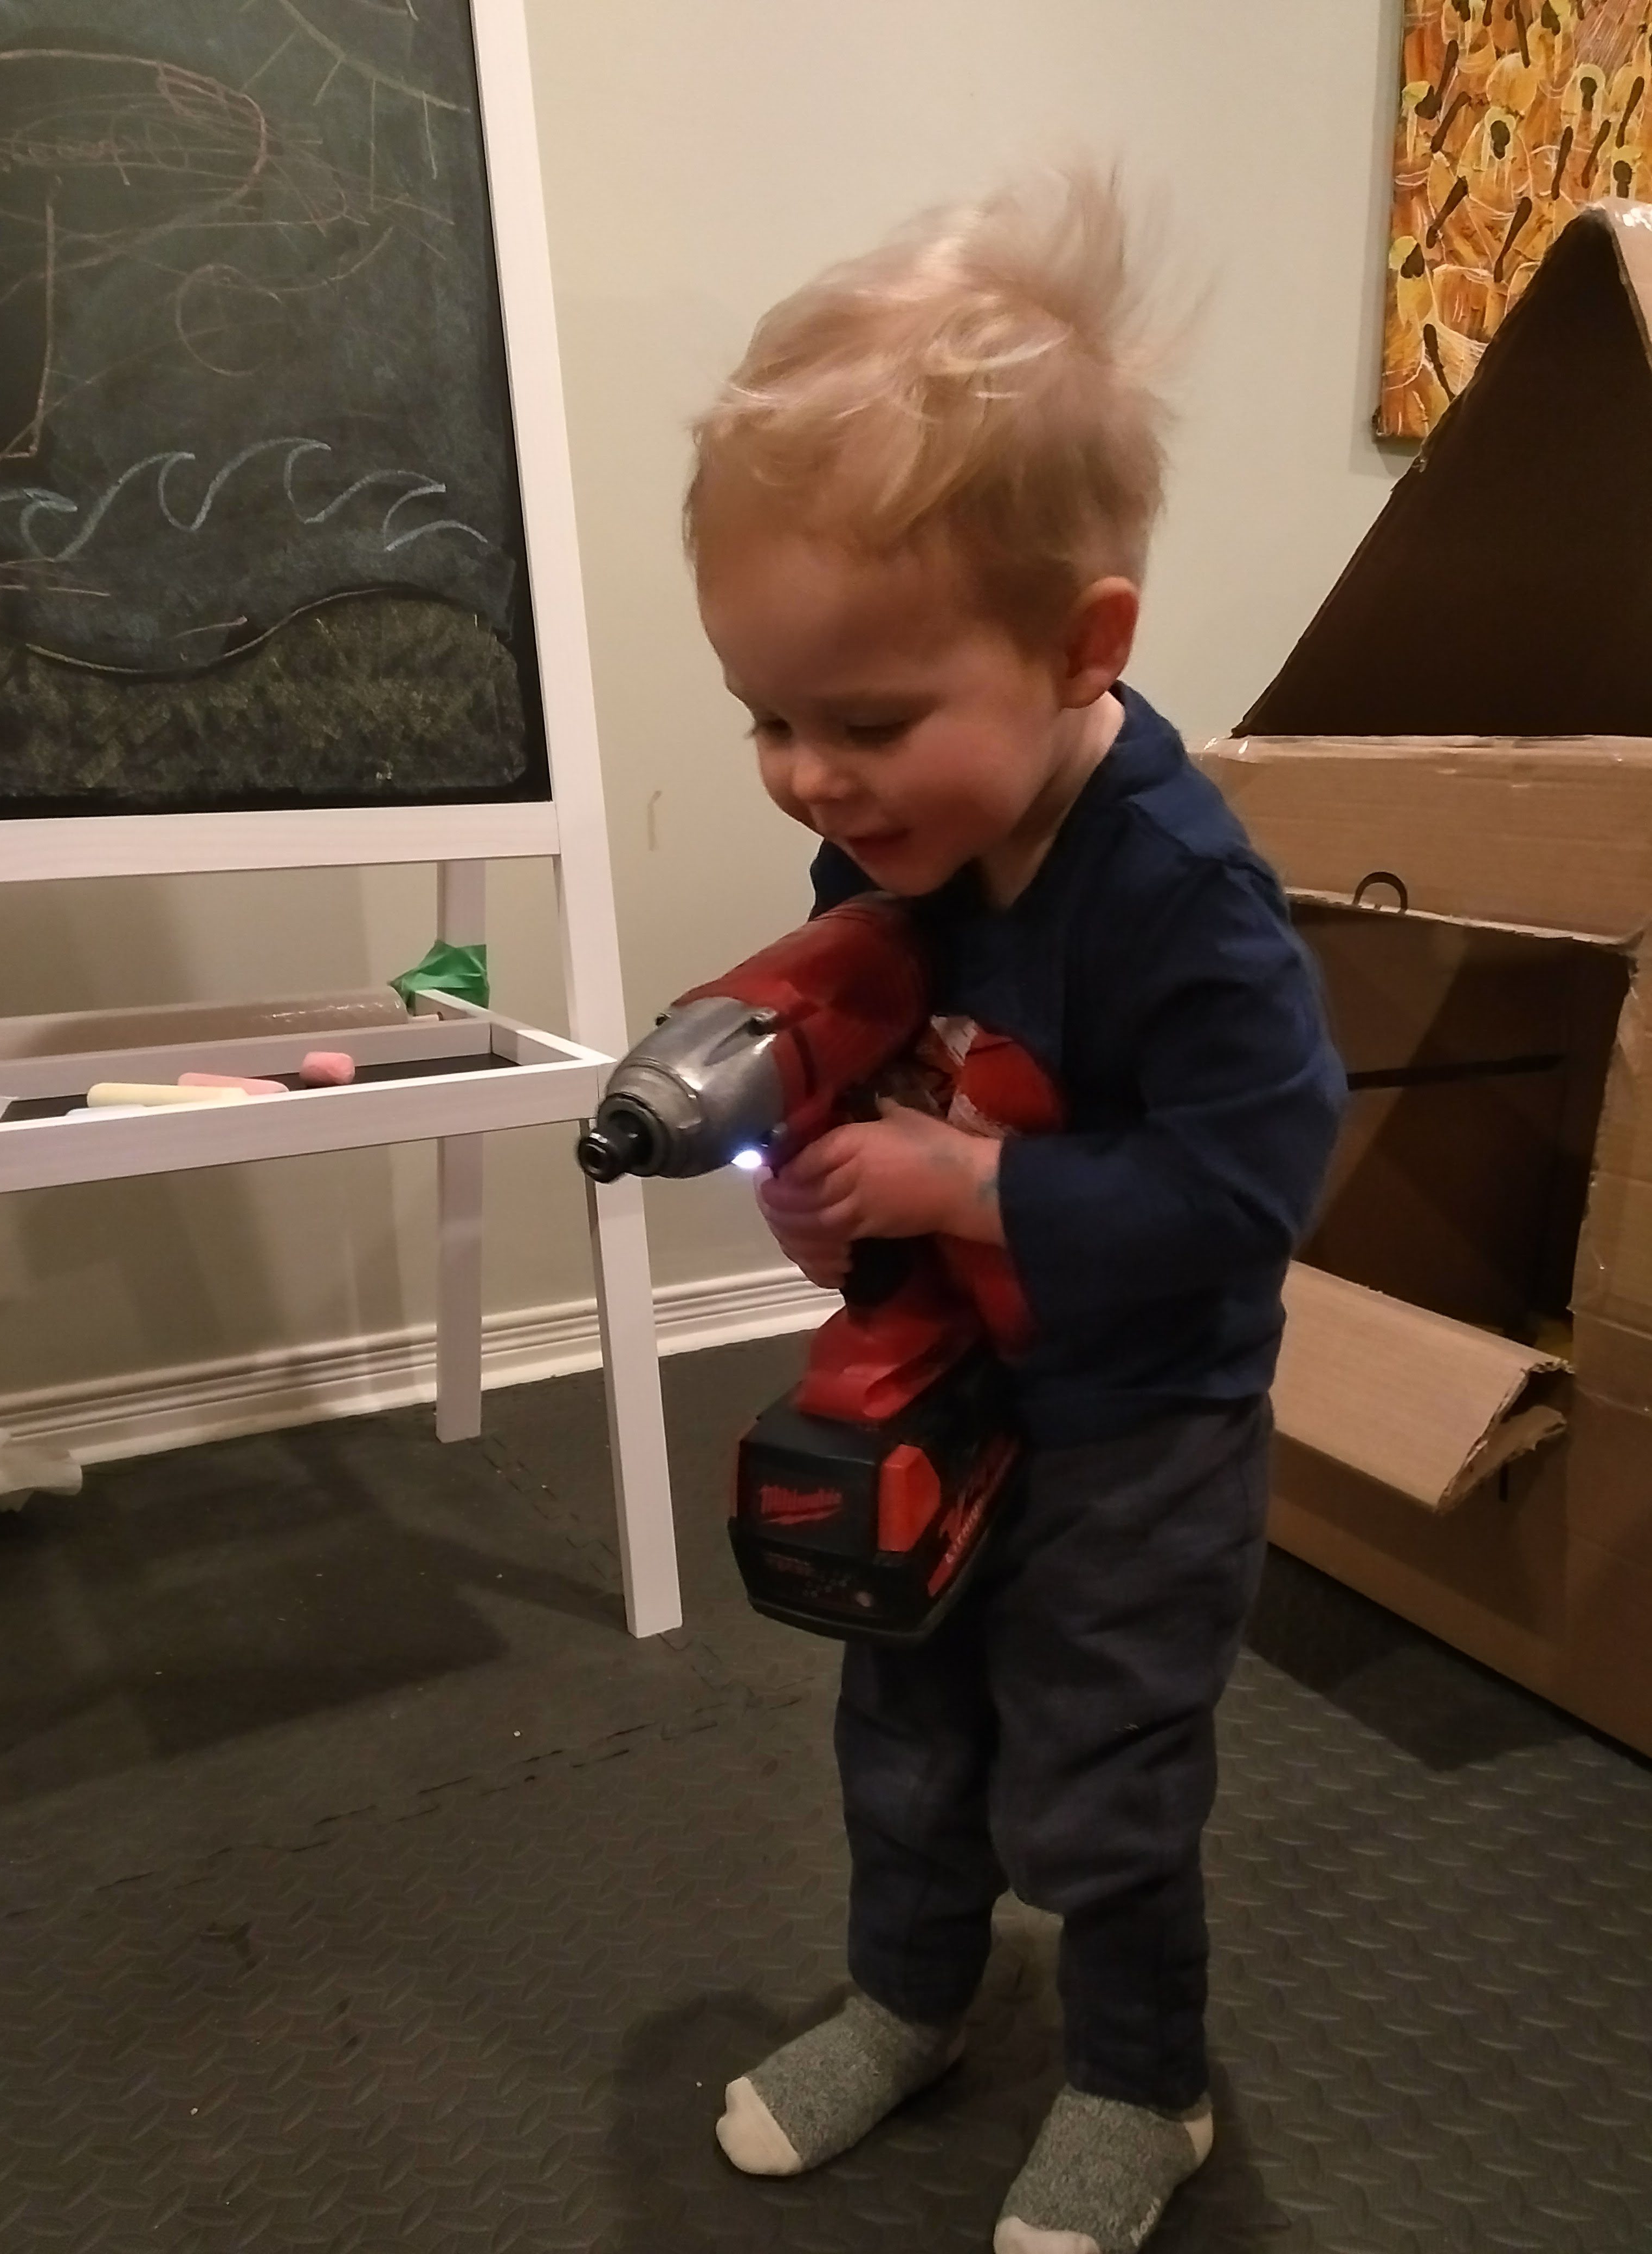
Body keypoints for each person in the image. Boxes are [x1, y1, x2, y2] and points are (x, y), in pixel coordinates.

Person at [683, 166, 1345, 2254]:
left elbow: (1256, 1179)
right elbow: (881, 1063)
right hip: (947, 1386)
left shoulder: (1182, 897)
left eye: (865, 723)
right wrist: (835, 1211)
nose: (810, 778)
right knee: (903, 1724)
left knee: (1102, 1773)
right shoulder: (889, 843)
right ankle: (911, 1998)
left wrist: (969, 1184)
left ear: (1085, 647)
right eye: (767, 719)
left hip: (1143, 1425)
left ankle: (1145, 2087)